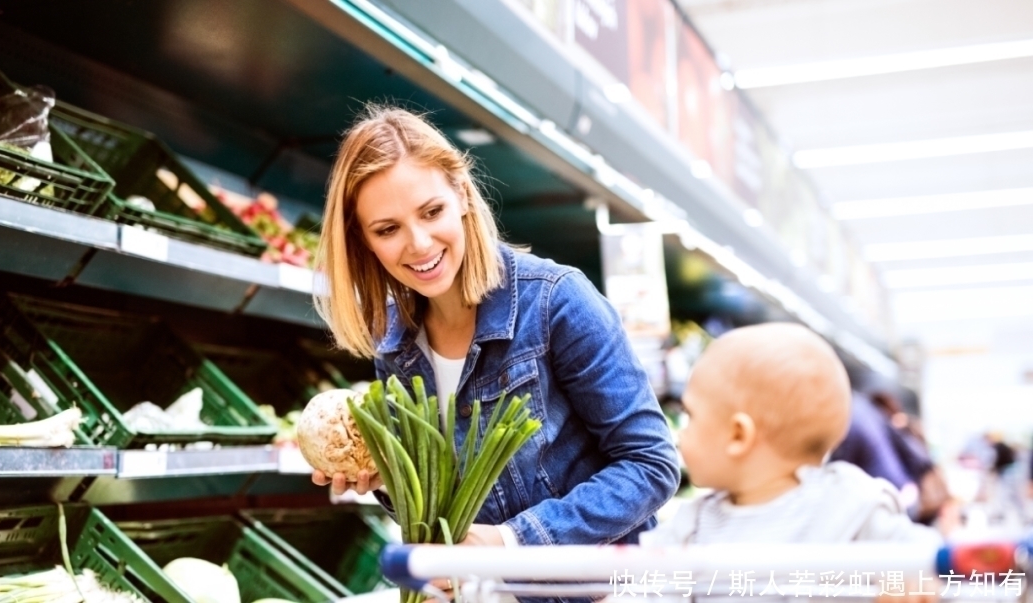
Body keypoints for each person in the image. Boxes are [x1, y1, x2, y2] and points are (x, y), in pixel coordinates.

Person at [309, 105, 680, 551]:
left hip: (597, 589)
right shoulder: (395, 345)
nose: (420, 244)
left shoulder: (556, 301)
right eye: (388, 229)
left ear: (462, 195)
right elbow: (447, 514)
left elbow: (651, 465)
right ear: (363, 241)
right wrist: (389, 482)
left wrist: (511, 541)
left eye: (431, 212)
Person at [642, 323, 940, 601]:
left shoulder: (847, 503)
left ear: (738, 435)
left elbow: (925, 554)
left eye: (691, 417)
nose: (680, 434)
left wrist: (917, 581)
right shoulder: (691, 527)